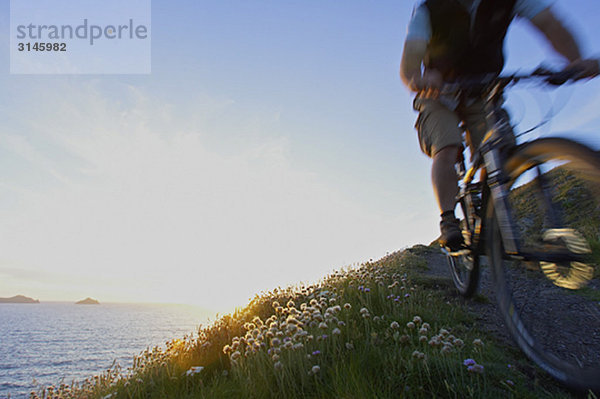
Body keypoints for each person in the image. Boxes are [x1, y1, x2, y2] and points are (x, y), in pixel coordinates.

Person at [400, 0, 599, 251]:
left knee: (503, 152)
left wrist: (576, 61)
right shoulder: (430, 9)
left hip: (483, 90)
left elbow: (550, 24)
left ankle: (489, 214)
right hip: (438, 94)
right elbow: (410, 63)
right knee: (447, 146)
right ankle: (449, 220)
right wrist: (420, 77)